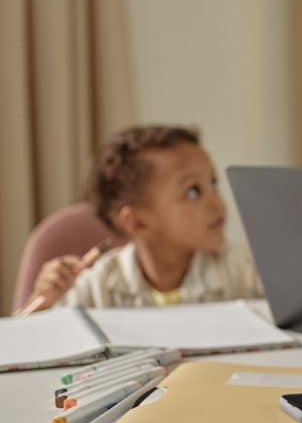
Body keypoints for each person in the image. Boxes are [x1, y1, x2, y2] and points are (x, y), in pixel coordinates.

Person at [27, 125, 262, 309]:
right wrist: (42, 304)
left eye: (213, 184)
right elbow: (29, 347)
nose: (217, 202)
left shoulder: (245, 271)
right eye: (193, 191)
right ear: (136, 221)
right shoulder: (98, 284)